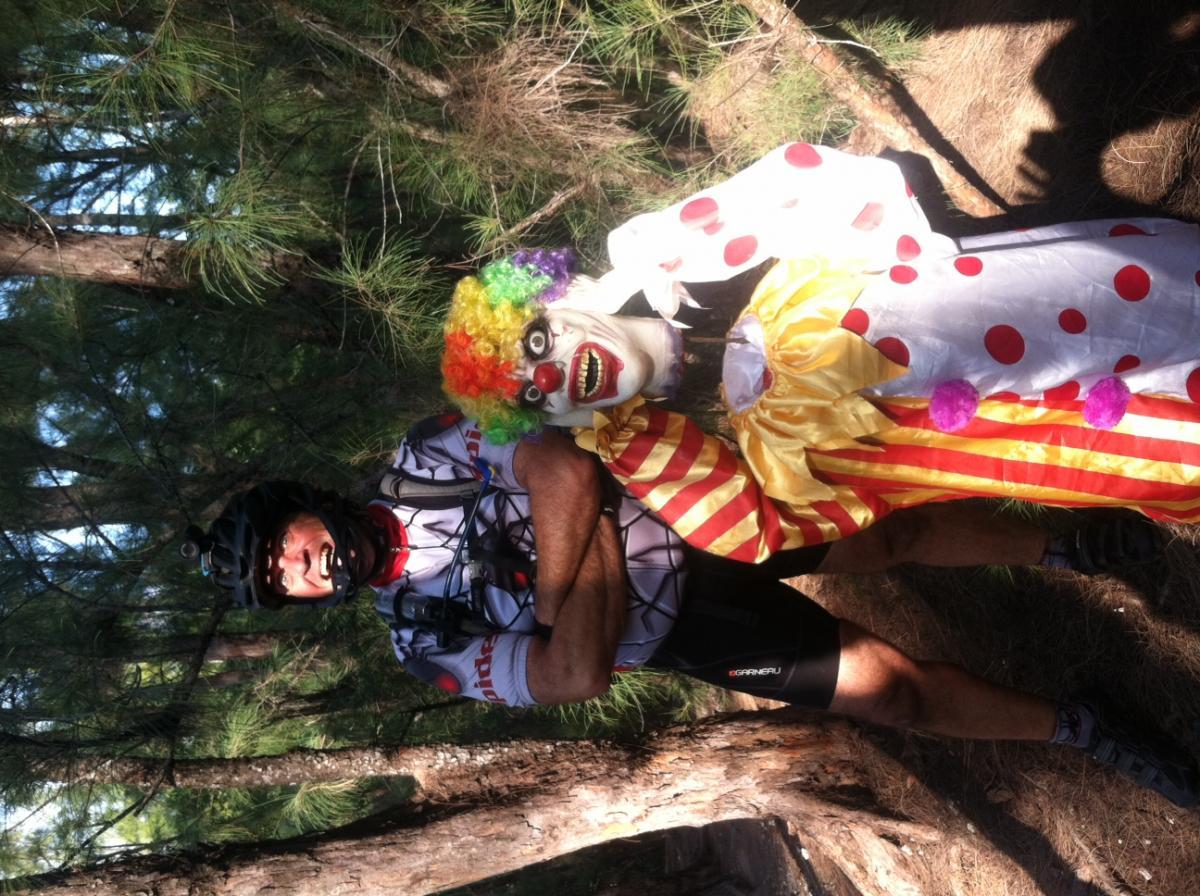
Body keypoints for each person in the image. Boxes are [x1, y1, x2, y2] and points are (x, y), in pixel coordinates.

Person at [185, 414, 1197, 807]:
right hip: (690, 628)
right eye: (283, 584)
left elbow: (565, 464)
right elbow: (575, 675)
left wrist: (559, 595)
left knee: (887, 533)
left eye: (284, 546)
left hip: (707, 512)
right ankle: (1087, 725)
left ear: (300, 505)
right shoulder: (422, 642)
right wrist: (582, 544)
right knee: (893, 697)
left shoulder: (421, 454)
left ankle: (1067, 544)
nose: (303, 567)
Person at [440, 145, 1200, 561]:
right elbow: (754, 533)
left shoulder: (794, 279)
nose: (548, 371)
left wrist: (653, 254)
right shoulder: (776, 458)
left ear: (567, 295)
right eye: (534, 392)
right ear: (565, 413)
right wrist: (630, 444)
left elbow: (832, 181)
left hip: (1142, 299)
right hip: (1143, 448)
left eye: (538, 338)